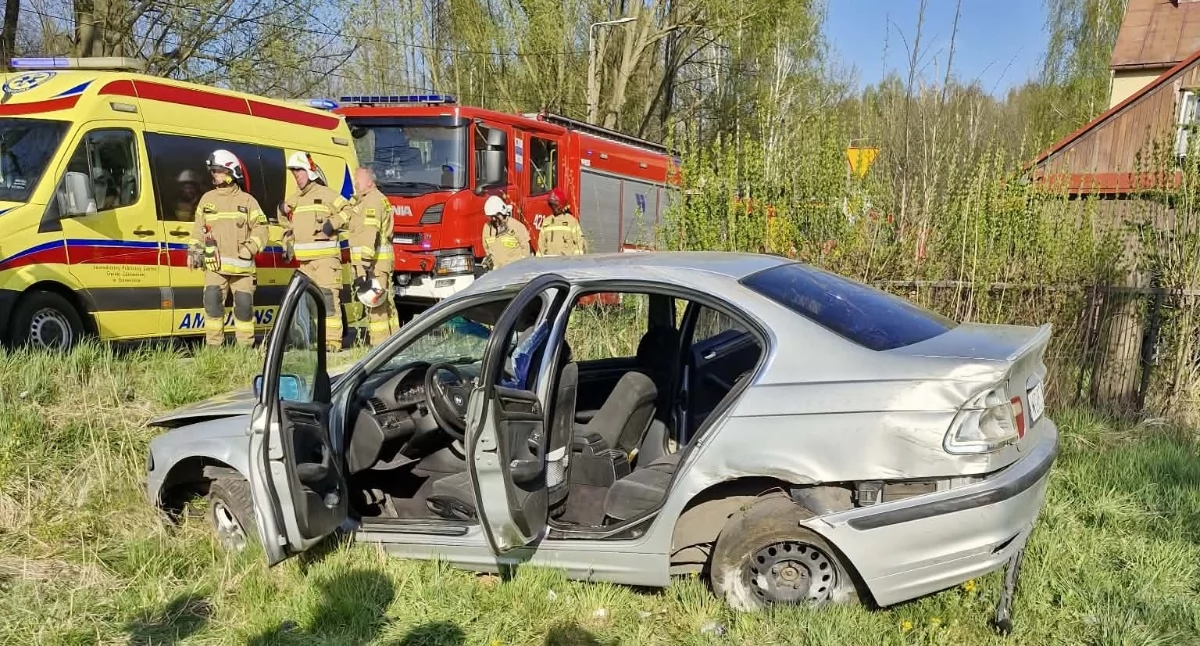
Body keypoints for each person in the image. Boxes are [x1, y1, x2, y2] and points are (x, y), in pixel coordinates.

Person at [187, 149, 268, 348]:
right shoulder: (207, 199)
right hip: (215, 267)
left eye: (218, 171)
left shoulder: (247, 201)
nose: (214, 175)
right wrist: (194, 251)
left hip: (242, 270)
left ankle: (245, 350)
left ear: (231, 172)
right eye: (213, 171)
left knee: (243, 309)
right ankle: (214, 349)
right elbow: (199, 229)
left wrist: (250, 248)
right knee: (213, 306)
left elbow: (262, 228)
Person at [279, 151, 353, 352]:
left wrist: (332, 224)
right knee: (307, 304)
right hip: (304, 264)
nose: (296, 176)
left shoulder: (327, 194)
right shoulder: (294, 199)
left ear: (309, 172)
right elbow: (286, 224)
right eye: (293, 172)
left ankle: (332, 342)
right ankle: (310, 340)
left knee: (329, 300)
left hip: (326, 261)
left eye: (299, 171)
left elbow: (349, 211)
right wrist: (287, 239)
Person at [348, 166, 400, 347]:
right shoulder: (372, 199)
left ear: (369, 181)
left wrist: (365, 265)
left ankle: (380, 347)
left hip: (373, 264)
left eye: (358, 179)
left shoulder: (372, 200)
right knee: (386, 305)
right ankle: (394, 343)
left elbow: (370, 234)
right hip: (379, 263)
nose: (355, 183)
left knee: (375, 306)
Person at [481, 194, 530, 270]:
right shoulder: (487, 228)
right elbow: (487, 249)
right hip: (496, 272)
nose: (494, 219)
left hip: (514, 271)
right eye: (491, 217)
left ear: (502, 212)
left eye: (496, 216)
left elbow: (526, 251)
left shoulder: (517, 226)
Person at [537, 187, 585, 257]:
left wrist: (575, 260)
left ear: (561, 204)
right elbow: (541, 244)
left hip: (566, 263)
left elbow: (579, 243)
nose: (553, 207)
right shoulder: (546, 222)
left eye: (555, 205)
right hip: (548, 262)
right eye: (551, 204)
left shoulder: (571, 221)